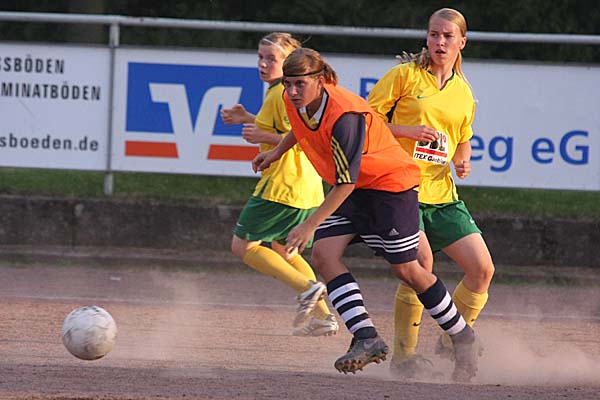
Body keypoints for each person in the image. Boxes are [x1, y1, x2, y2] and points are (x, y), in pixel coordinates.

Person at [253, 47, 479, 381]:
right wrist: (276, 151)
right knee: (324, 255)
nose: (293, 91)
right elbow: (301, 129)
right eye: (288, 83)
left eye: (300, 83)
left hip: (390, 187)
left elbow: (345, 183)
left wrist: (310, 224)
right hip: (356, 188)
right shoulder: (294, 100)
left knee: (408, 270)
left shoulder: (345, 116)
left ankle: (463, 337)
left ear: (321, 81)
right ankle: (366, 337)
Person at [367, 8, 495, 379]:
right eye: (434, 34)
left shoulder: (463, 92)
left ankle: (452, 339)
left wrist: (462, 159)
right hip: (401, 189)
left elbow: (463, 136)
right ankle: (404, 357)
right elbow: (365, 119)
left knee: (482, 270)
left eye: (447, 36)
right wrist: (407, 131)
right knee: (419, 266)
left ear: (462, 42)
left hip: (442, 194)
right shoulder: (404, 76)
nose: (439, 42)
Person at [221, 32, 338, 337]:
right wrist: (249, 118)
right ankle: (323, 317)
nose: (263, 63)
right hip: (307, 187)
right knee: (286, 251)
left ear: (290, 62)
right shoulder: (287, 93)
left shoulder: (281, 94)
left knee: (243, 246)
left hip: (282, 185)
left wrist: (262, 137)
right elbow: (290, 128)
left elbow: (301, 137)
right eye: (260, 57)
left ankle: (307, 287)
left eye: (271, 59)